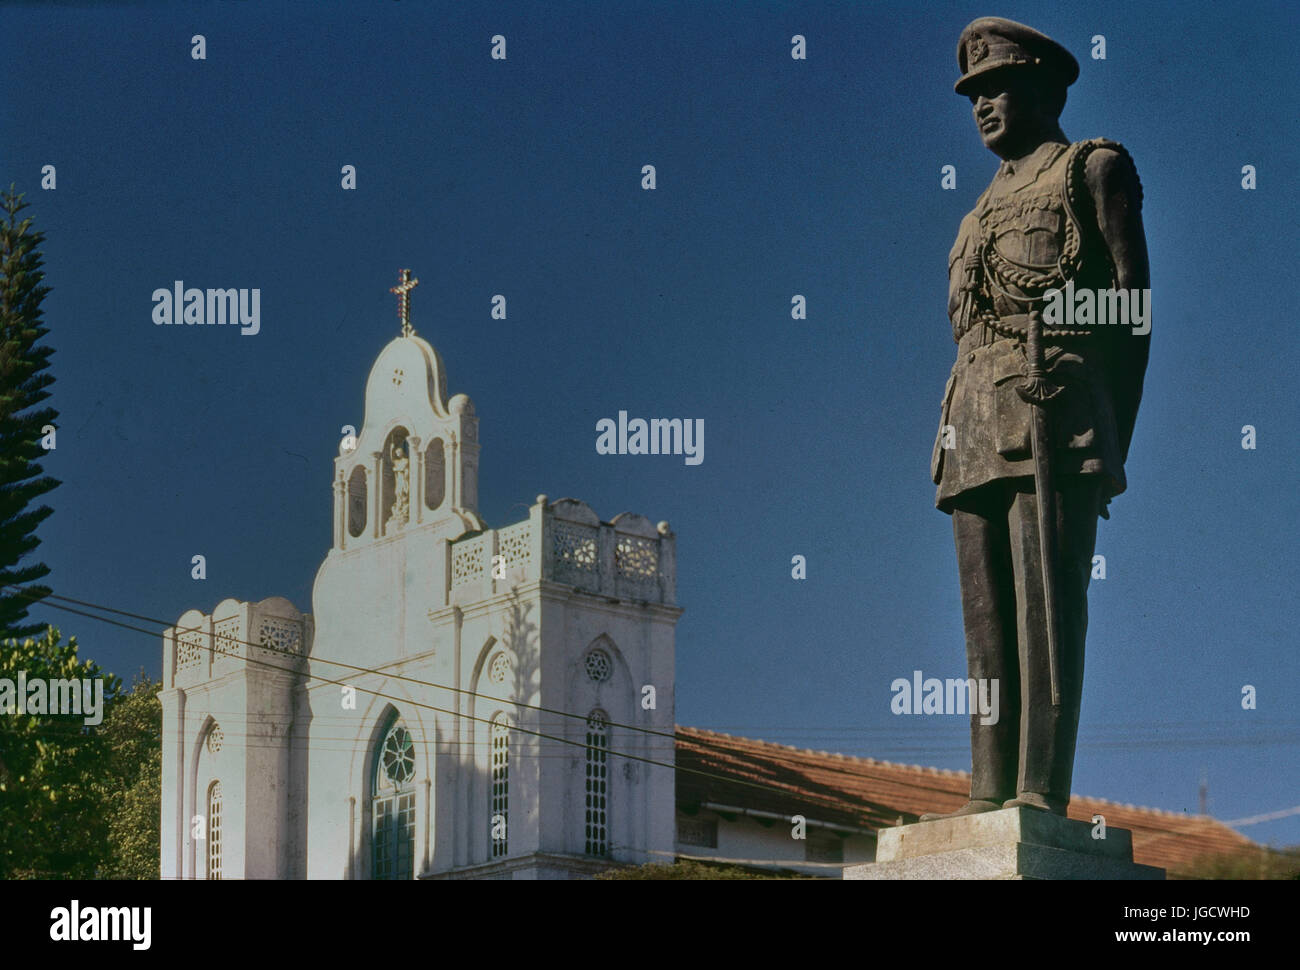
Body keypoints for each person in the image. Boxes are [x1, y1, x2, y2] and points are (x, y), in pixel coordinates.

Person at [925, 17, 1150, 818]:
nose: (983, 104)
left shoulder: (1093, 170)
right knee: (985, 628)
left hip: (1056, 414)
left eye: (999, 87)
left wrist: (1108, 438)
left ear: (1045, 90)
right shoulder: (974, 215)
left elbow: (1131, 314)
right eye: (975, 94)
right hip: (972, 426)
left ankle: (1037, 789)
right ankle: (988, 788)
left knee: (1047, 616)